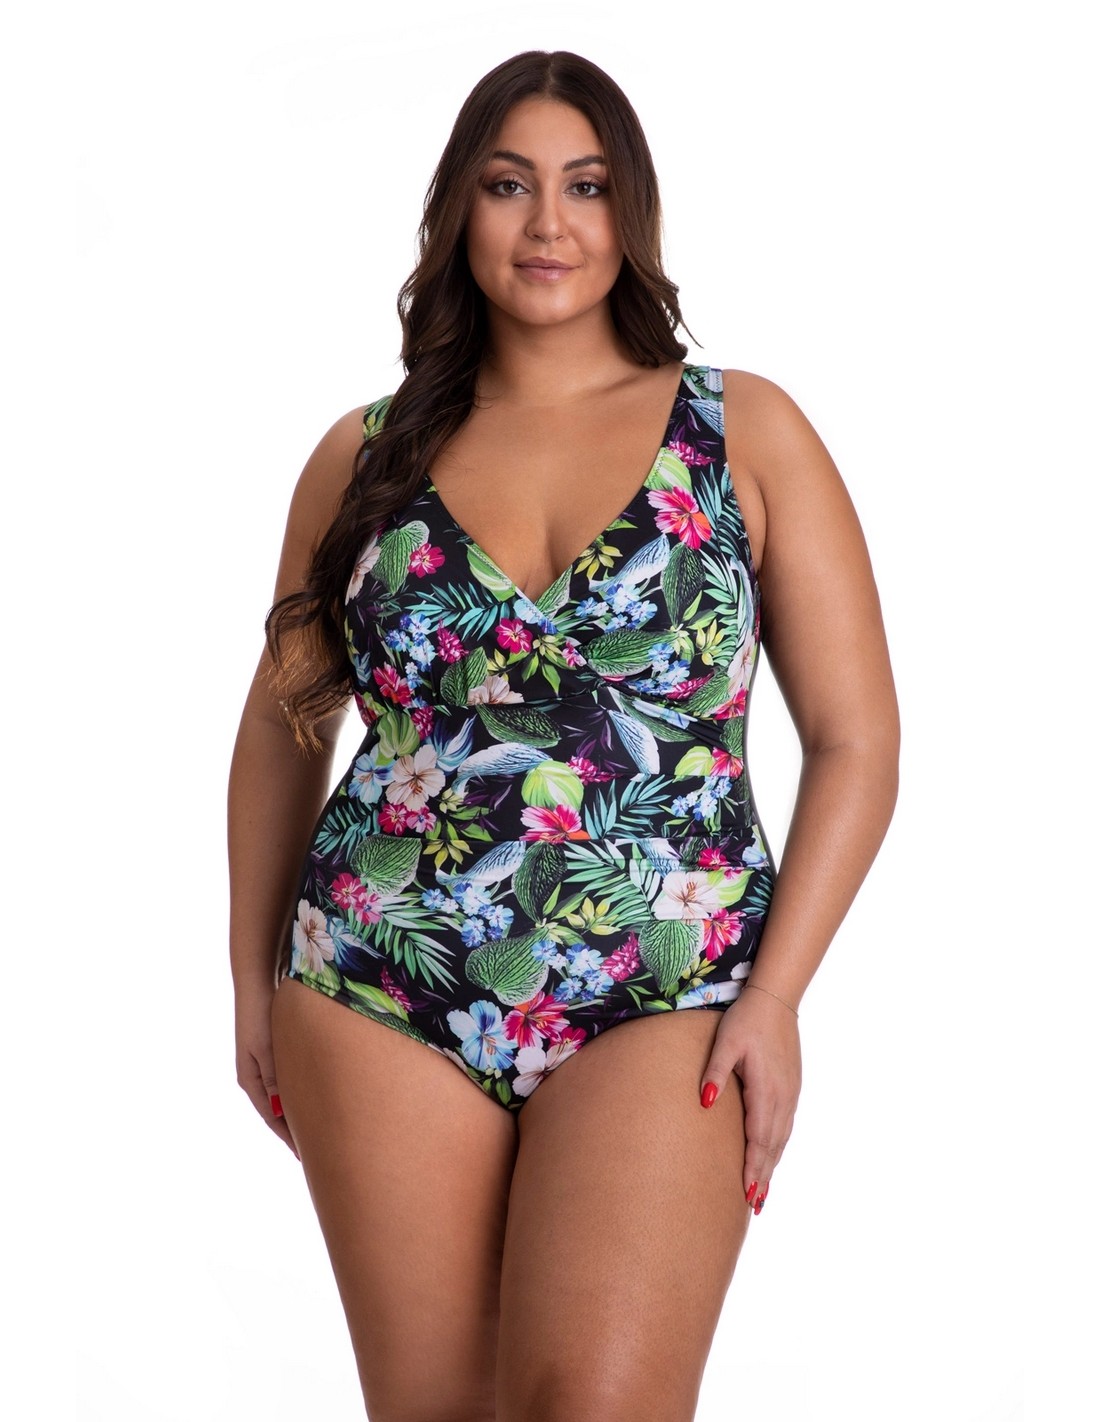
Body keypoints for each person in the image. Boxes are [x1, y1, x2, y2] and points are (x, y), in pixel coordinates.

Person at [228, 48, 899, 1422]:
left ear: (630, 212)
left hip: (670, 985)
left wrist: (776, 997)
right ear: (457, 212)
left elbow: (856, 739)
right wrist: (250, 979)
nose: (548, 223)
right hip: (378, 983)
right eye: (508, 185)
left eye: (585, 187)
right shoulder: (360, 459)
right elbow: (285, 725)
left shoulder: (744, 431)